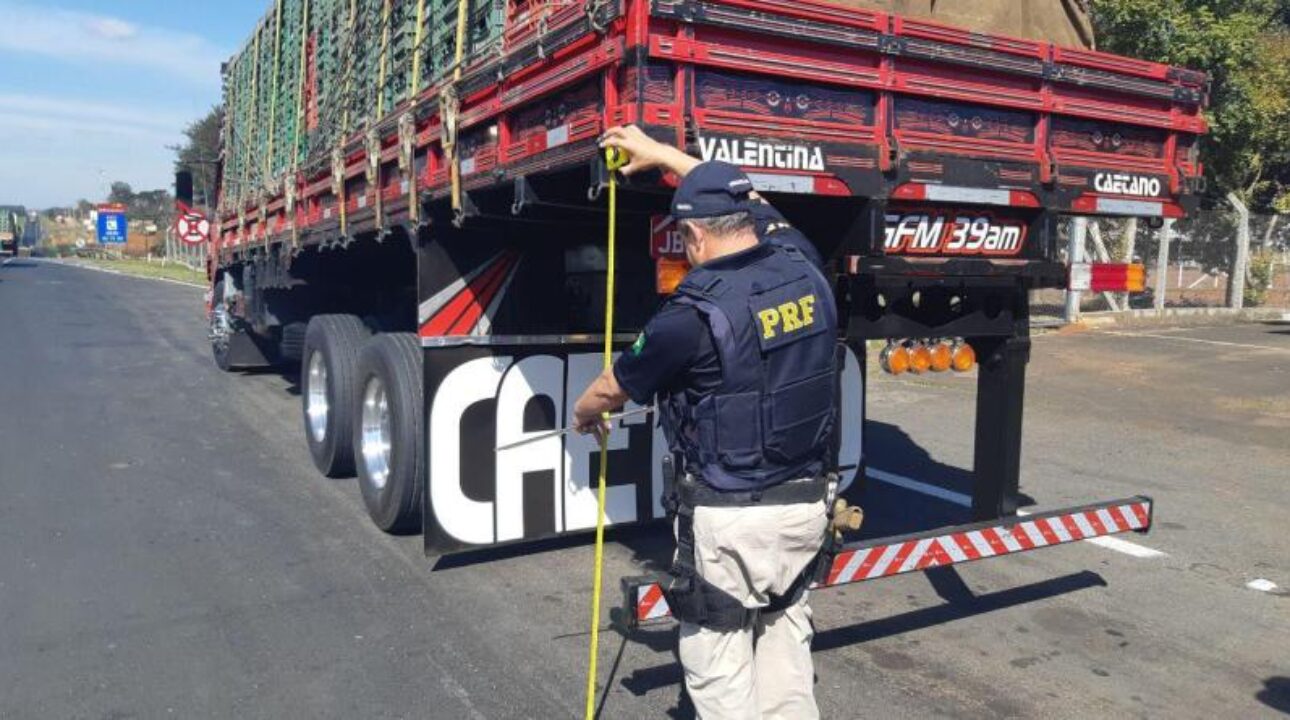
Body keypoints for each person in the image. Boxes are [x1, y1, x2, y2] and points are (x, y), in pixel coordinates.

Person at [573, 125, 839, 719]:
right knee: (784, 643)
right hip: (805, 507)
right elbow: (766, 207)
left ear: (692, 234)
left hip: (732, 517)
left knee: (718, 665)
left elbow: (612, 387)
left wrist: (583, 414)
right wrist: (667, 155)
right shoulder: (804, 264)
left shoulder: (690, 315)